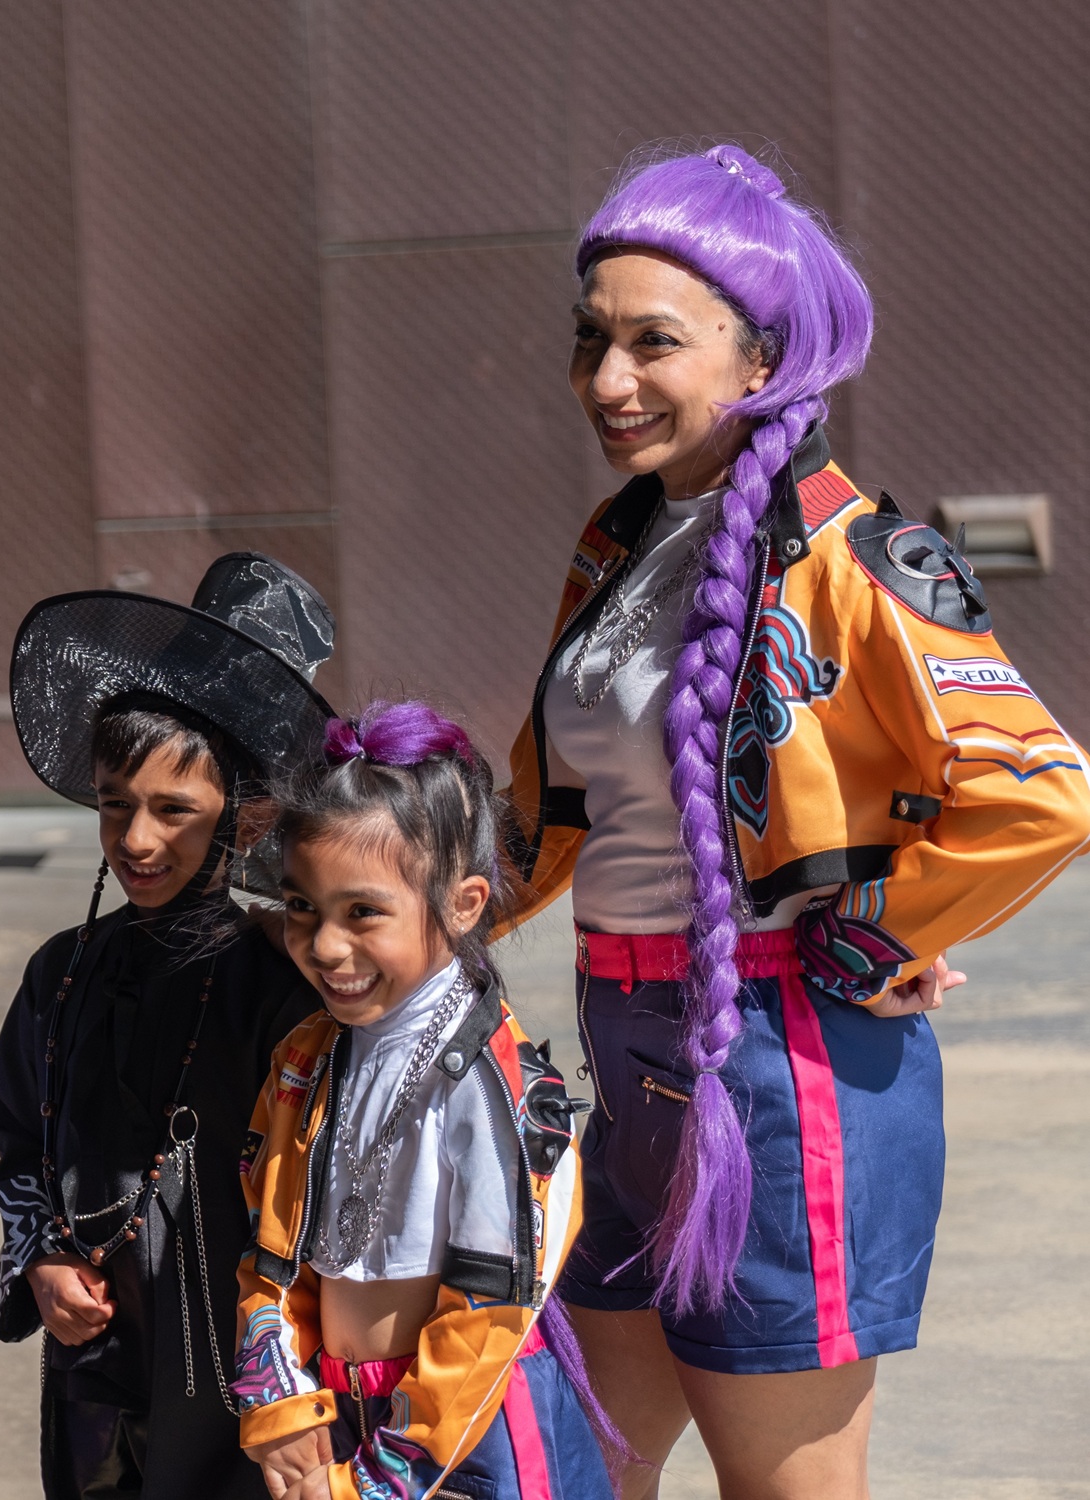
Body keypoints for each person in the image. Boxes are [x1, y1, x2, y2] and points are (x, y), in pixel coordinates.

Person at [501, 144, 1090, 1497]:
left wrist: (872, 938)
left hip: (779, 1078)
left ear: (761, 359)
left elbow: (1039, 791)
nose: (605, 381)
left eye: (651, 342)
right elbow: (545, 809)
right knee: (563, 1465)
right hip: (625, 1061)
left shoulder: (854, 554)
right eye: (589, 340)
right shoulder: (616, 540)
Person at [0, 555, 333, 1498]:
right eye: (115, 806)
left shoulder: (287, 986)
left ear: (248, 817)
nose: (137, 841)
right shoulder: (62, 973)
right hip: (95, 1364)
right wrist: (42, 1259)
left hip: (237, 1372)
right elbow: (19, 1143)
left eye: (174, 812)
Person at [232, 701, 616, 1500]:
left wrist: (377, 1478)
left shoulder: (498, 1091)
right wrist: (281, 1403)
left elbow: (490, 1314)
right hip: (339, 1424)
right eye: (303, 906)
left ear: (465, 903)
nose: (326, 945)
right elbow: (274, 1247)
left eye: (362, 912)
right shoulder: (305, 1062)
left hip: (470, 1440)